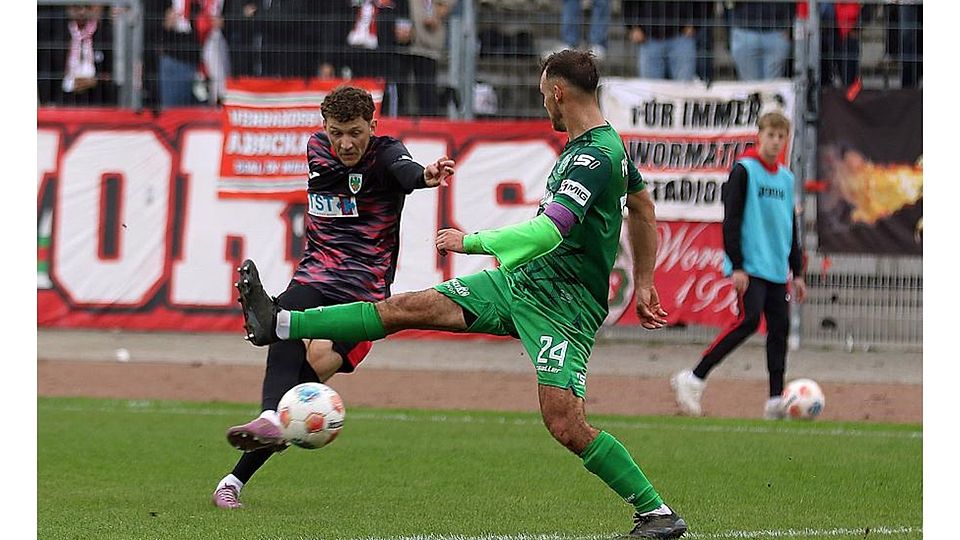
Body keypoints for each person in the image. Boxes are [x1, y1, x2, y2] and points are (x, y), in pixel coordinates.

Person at [235, 50, 688, 539]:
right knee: (405, 307)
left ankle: (656, 512)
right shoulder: (595, 147)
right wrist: (643, 281)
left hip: (564, 309)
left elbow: (549, 232)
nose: (544, 108)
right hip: (520, 284)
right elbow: (641, 207)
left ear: (558, 92)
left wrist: (471, 242)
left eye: (543, 97)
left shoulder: (596, 156)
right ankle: (277, 323)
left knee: (566, 425)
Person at [211, 85, 455, 509]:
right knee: (281, 321)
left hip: (364, 295)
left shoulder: (385, 154)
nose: (346, 142)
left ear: (373, 127)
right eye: (337, 132)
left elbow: (404, 170)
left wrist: (424, 178)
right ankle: (266, 423)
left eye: (356, 132)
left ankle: (237, 473)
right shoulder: (315, 150)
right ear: (323, 128)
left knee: (306, 381)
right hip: (317, 274)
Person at [671, 111, 806, 420]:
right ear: (759, 136)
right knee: (747, 321)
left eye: (780, 136)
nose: (774, 141)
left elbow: (791, 227)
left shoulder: (786, 178)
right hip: (750, 266)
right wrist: (738, 266)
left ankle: (775, 401)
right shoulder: (744, 170)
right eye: (770, 135)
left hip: (776, 270)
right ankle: (693, 378)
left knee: (780, 329)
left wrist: (797, 272)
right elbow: (731, 220)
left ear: (786, 141)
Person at [623, 1, 710, 81]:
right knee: (650, 90)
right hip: (648, 38)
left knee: (684, 88)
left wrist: (695, 24)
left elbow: (705, 3)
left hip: (682, 36)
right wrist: (632, 26)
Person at [728, 1, 794, 81]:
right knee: (750, 88)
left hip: (778, 31)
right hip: (744, 30)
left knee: (772, 89)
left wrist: (791, 25)